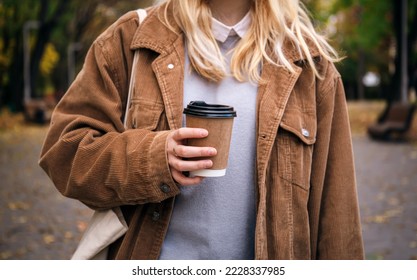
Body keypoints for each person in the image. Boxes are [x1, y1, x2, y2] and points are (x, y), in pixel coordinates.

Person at [39, 0, 364, 260]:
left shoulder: (310, 63)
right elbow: (64, 152)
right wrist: (151, 159)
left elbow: (337, 218)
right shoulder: (131, 40)